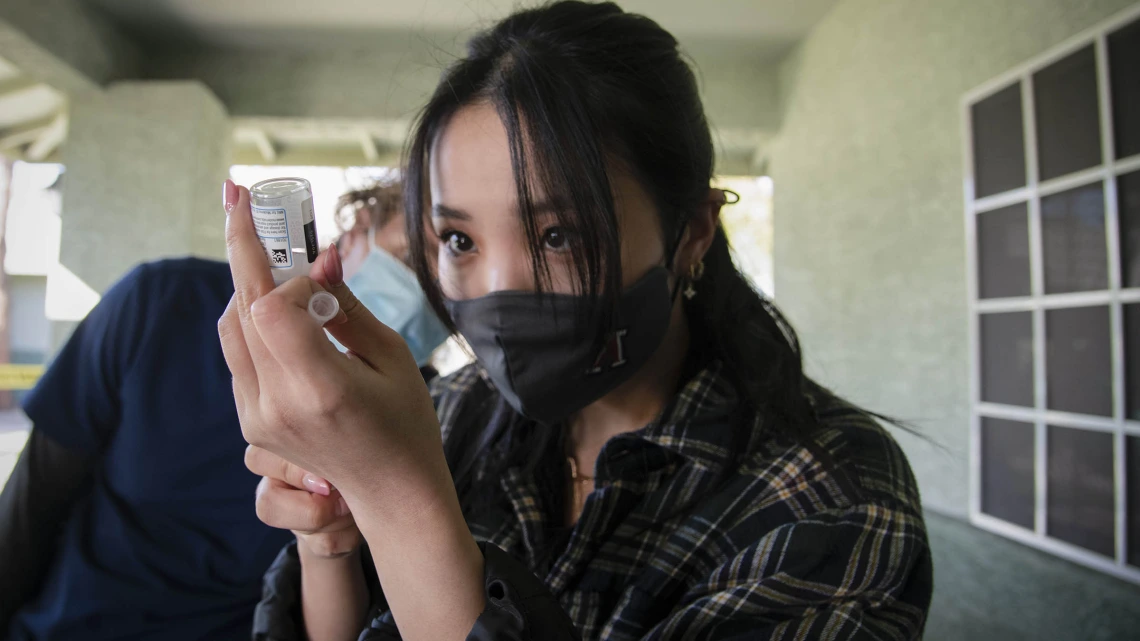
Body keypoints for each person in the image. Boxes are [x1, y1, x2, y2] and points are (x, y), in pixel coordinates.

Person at [228, 3, 933, 640]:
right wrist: (332, 543)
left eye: (559, 236)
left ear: (689, 234)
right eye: (459, 241)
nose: (498, 293)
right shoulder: (448, 414)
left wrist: (400, 499)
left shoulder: (832, 496)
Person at [0, 181, 447, 640]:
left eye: (446, 298)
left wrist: (330, 544)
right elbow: (31, 504)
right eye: (411, 259)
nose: (423, 297)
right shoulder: (161, 303)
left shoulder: (423, 418)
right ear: (356, 232)